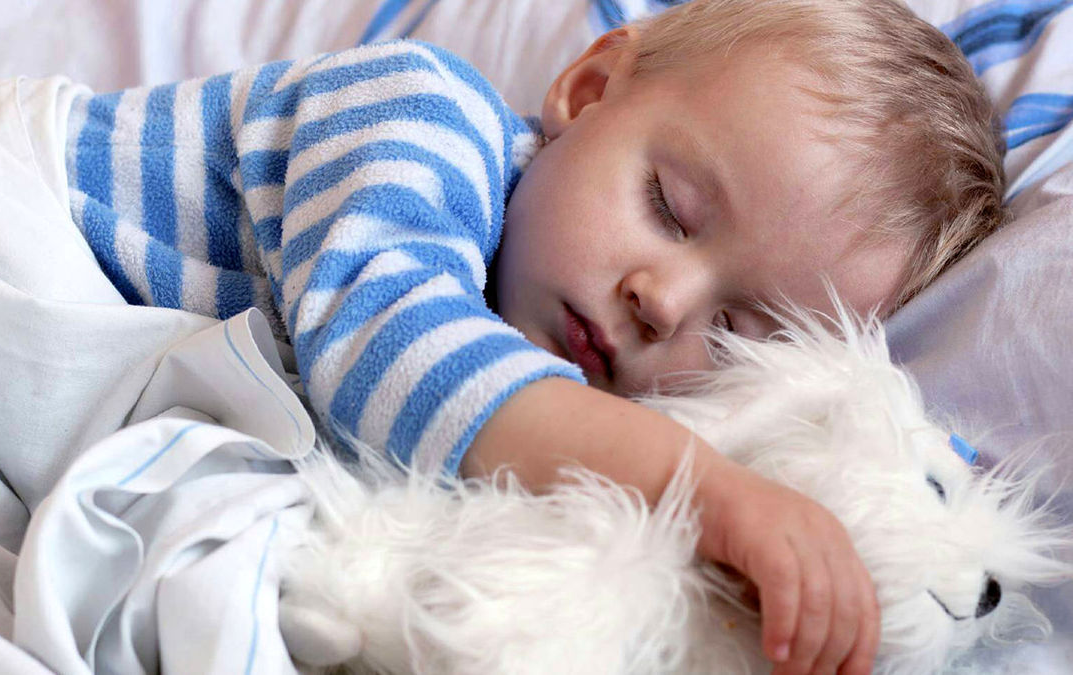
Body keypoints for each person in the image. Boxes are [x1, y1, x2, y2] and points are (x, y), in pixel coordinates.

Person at [63, 1, 1005, 672]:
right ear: (590, 92)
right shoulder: (416, 110)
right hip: (11, 228)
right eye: (670, 208)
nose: (662, 301)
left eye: (733, 334)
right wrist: (710, 489)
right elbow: (388, 345)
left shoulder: (547, 417)